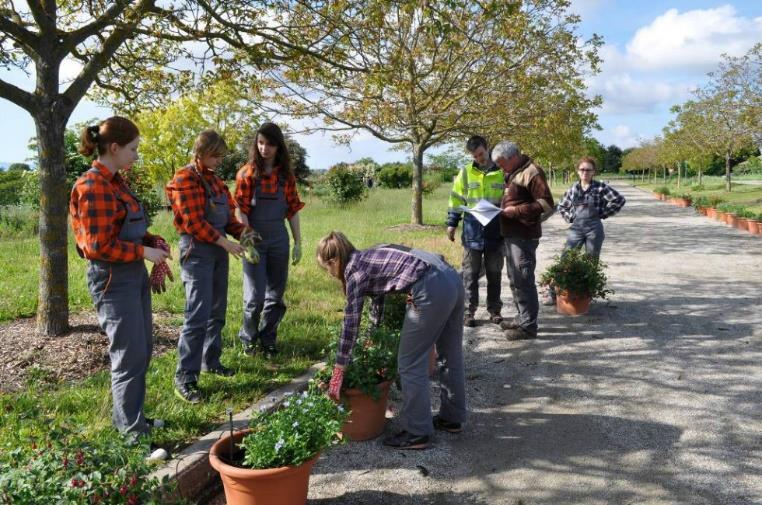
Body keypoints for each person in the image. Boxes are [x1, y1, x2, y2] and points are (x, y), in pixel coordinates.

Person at [69, 116, 171, 439]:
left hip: (132, 274)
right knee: (128, 356)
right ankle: (132, 434)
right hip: (113, 280)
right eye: (133, 149)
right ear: (114, 148)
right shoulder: (92, 186)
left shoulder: (116, 181)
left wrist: (150, 240)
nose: (136, 156)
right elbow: (99, 246)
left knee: (142, 349)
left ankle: (132, 417)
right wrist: (143, 253)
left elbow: (125, 228)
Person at [317, 231, 467, 450]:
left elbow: (350, 324)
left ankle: (417, 433)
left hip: (430, 286)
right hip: (451, 277)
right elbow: (378, 296)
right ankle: (452, 418)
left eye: (326, 268)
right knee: (450, 354)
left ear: (334, 261)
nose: (329, 274)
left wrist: (339, 368)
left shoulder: (354, 272)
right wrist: (371, 337)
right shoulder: (368, 256)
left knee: (409, 362)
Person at [165, 130, 249, 403]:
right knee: (197, 315)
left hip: (218, 252)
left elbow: (228, 219)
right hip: (196, 252)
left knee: (217, 312)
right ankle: (185, 378)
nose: (218, 161)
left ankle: (210, 361)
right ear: (200, 152)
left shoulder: (216, 182)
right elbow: (193, 222)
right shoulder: (184, 178)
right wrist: (225, 243)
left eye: (221, 156)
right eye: (215, 155)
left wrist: (245, 234)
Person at [235, 123, 305, 358]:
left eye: (270, 144)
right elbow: (240, 210)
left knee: (275, 296)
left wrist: (298, 242)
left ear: (278, 147)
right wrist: (247, 240)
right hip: (255, 240)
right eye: (261, 142)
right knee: (254, 297)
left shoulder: (285, 177)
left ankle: (268, 338)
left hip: (278, 239)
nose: (264, 148)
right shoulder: (246, 174)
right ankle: (248, 338)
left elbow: (293, 210)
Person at [492, 141, 554, 340]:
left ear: (514, 157)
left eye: (502, 164)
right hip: (511, 235)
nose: (501, 168)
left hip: (524, 235)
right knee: (515, 279)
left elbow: (546, 203)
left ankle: (528, 327)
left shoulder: (532, 172)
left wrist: (516, 211)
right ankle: (522, 317)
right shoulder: (512, 172)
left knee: (524, 280)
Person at [544, 156, 626, 304]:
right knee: (565, 260)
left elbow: (619, 200)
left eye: (588, 170)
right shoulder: (574, 188)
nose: (585, 172)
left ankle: (586, 296)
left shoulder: (600, 187)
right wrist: (569, 217)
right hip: (576, 229)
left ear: (593, 172)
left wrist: (604, 213)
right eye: (582, 169)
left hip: (594, 229)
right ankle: (553, 293)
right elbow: (562, 206)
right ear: (578, 171)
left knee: (591, 262)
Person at [446, 135, 505, 327]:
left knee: (494, 274)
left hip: (496, 232)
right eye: (475, 155)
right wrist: (452, 223)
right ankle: (468, 312)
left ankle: (494, 310)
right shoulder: (464, 173)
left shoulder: (502, 171)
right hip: (472, 233)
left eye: (481, 153)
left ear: (487, 148)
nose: (479, 158)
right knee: (470, 275)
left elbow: (509, 197)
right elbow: (456, 200)